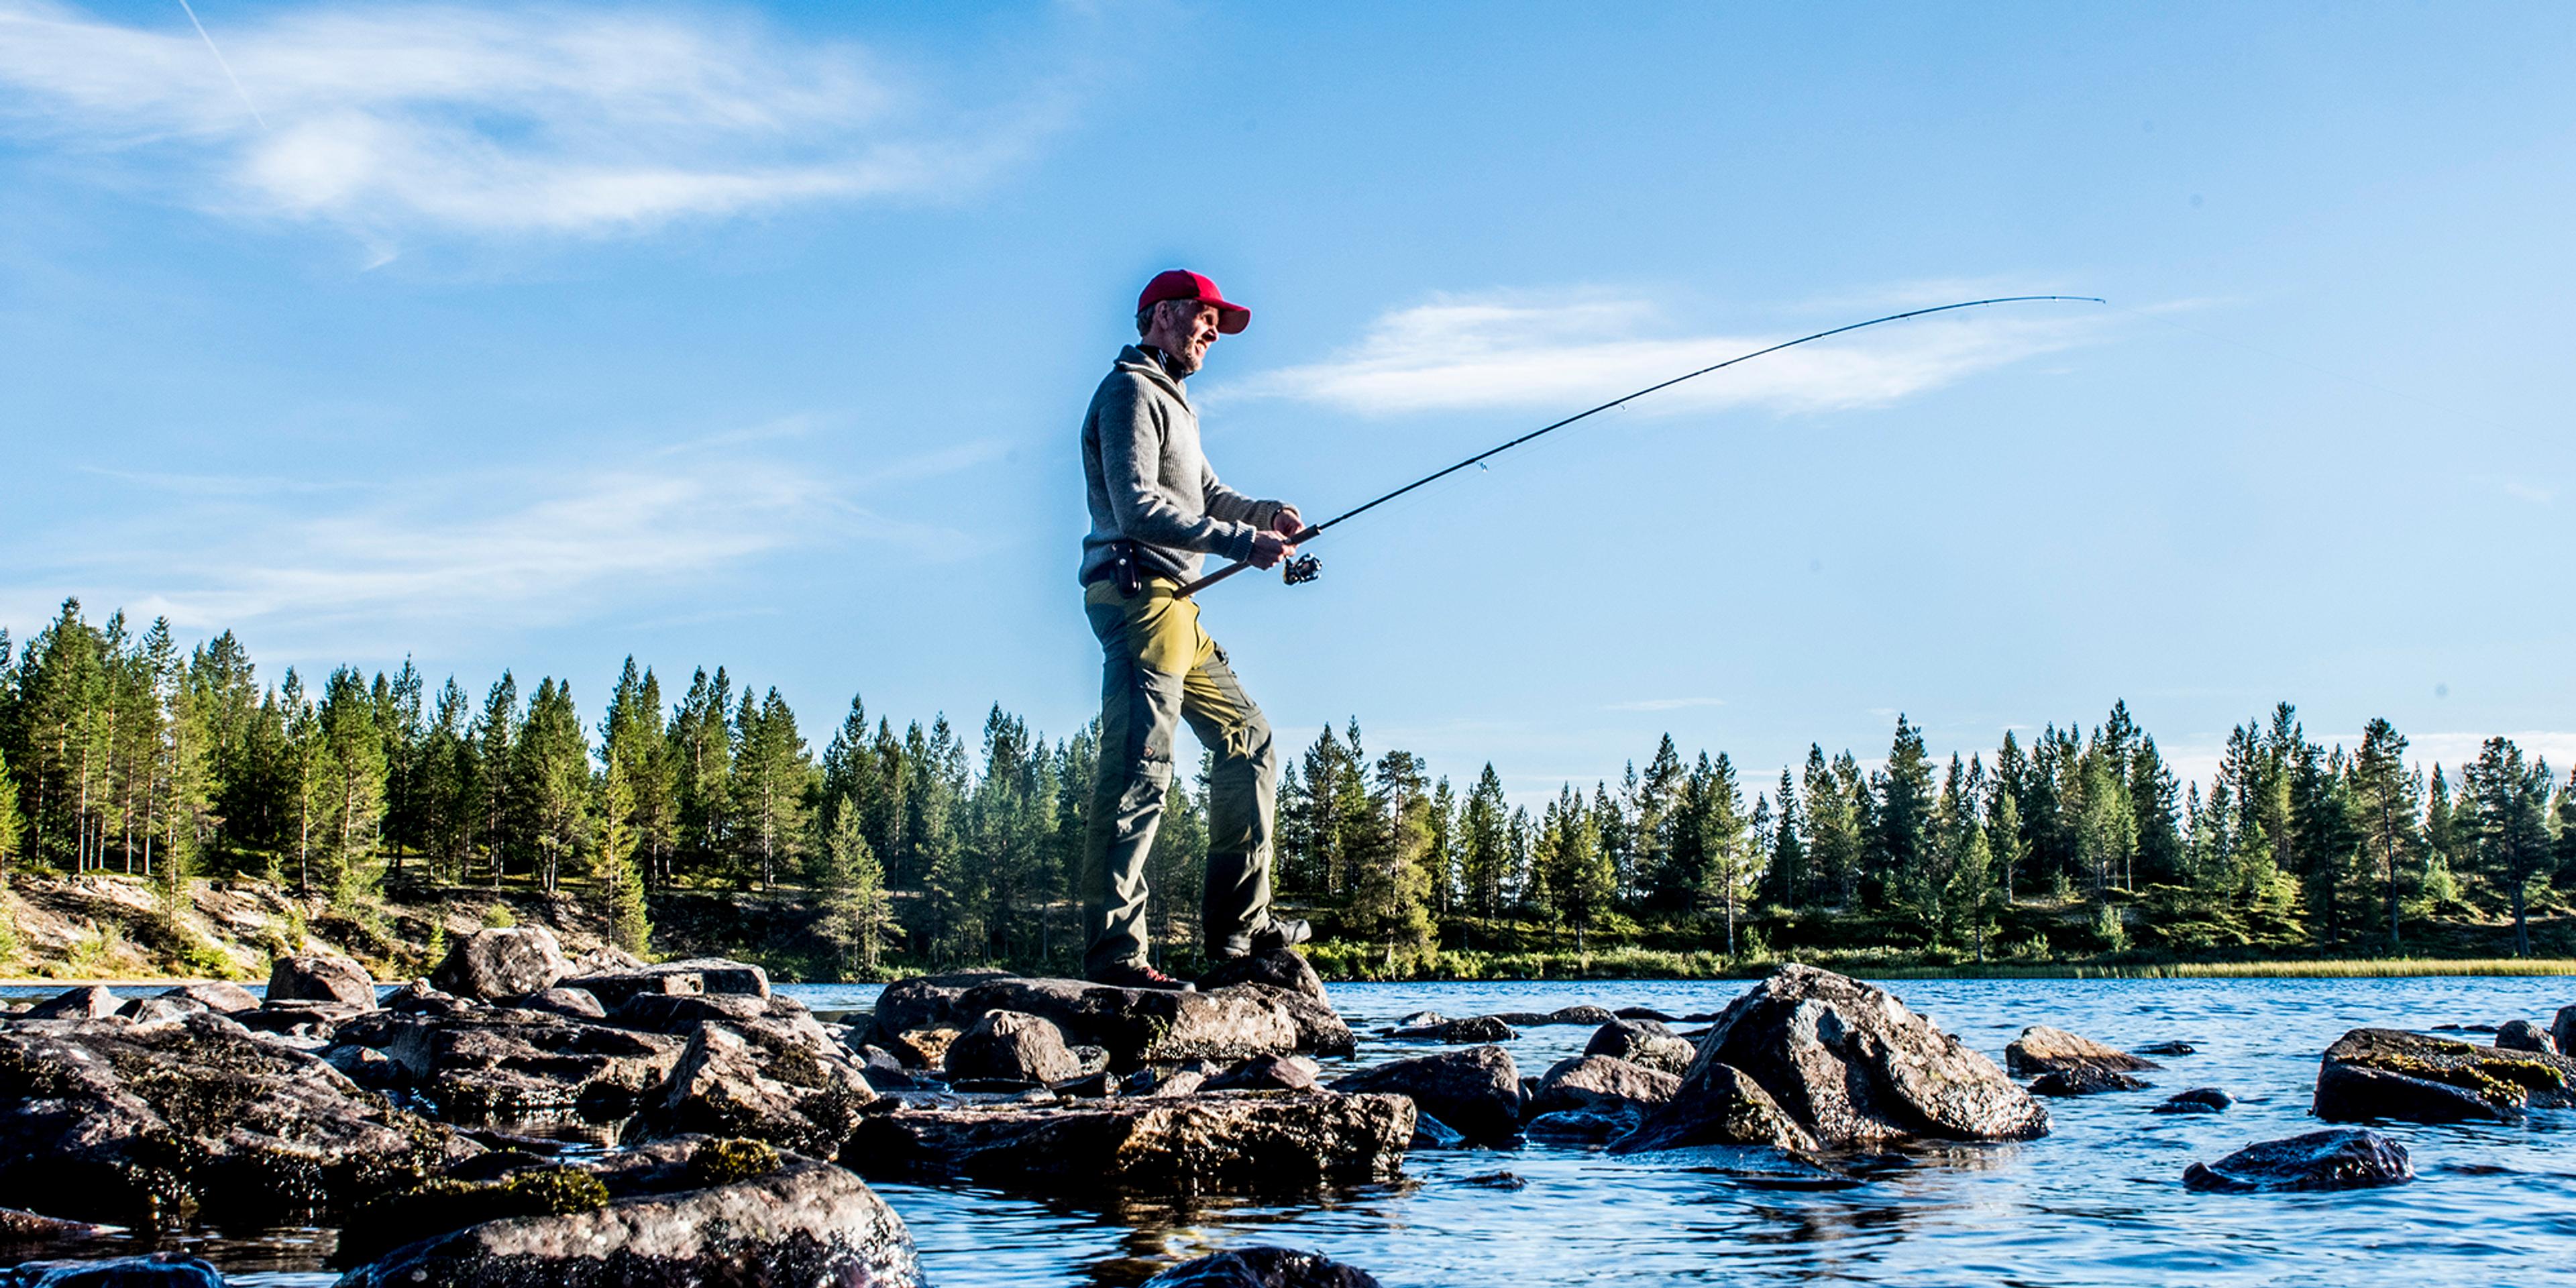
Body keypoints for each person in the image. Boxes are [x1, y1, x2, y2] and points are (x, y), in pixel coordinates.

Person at [1076, 269, 1312, 990]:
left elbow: (1207, 494)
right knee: (1139, 772)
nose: (1214, 332)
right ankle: (1116, 957)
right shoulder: (1129, 393)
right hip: (1139, 597)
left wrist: (1266, 515)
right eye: (1207, 318)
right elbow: (1139, 503)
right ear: (1164, 314)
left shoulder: (1176, 402)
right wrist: (1242, 546)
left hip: (1180, 604)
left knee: (1251, 742)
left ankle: (1239, 938)